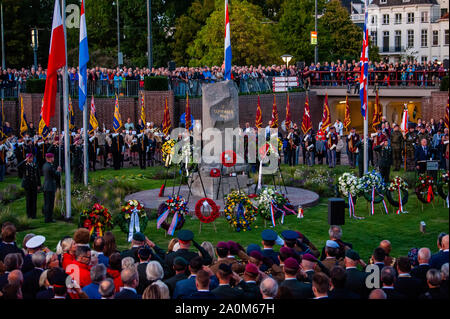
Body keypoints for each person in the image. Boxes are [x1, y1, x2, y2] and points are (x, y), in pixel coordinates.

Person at [42, 153, 61, 223]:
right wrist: (58, 171)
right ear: (50, 158)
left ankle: (48, 217)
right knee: (49, 203)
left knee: (48, 203)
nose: (53, 159)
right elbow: (55, 175)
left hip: (47, 186)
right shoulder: (49, 166)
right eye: (52, 157)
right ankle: (48, 218)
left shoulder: (45, 165)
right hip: (49, 186)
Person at [21, 153, 41, 219]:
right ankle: (29, 214)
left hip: (34, 184)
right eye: (30, 158)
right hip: (27, 185)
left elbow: (38, 175)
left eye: (32, 158)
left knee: (34, 200)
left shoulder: (35, 165)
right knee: (28, 199)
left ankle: (33, 214)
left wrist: (39, 184)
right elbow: (18, 166)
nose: (31, 159)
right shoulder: (25, 165)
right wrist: (24, 161)